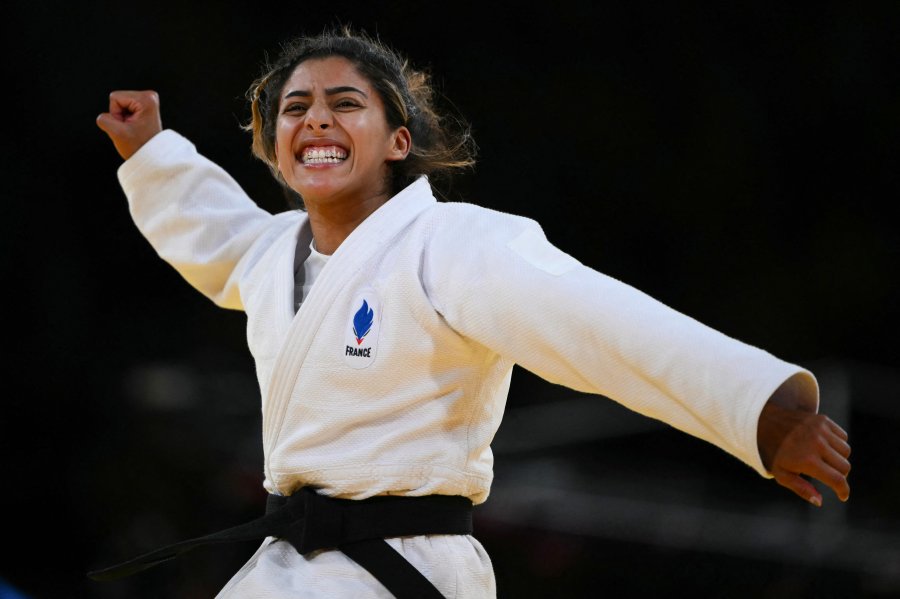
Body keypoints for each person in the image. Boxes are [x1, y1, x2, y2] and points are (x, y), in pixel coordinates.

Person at [95, 29, 851, 598]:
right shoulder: (273, 256)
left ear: (398, 140)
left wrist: (757, 408)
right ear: (274, 147)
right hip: (290, 566)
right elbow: (214, 230)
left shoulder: (451, 245)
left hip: (402, 566)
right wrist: (152, 153)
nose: (315, 120)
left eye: (344, 103)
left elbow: (602, 323)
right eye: (295, 109)